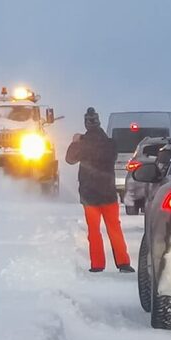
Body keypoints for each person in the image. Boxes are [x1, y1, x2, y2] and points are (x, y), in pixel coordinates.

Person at [64, 108, 132, 273]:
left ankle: (97, 265)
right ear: (99, 123)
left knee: (94, 231)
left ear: (86, 124)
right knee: (115, 229)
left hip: (89, 196)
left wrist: (75, 141)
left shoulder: (82, 144)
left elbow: (69, 160)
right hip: (108, 194)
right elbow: (112, 157)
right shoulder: (110, 144)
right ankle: (123, 263)